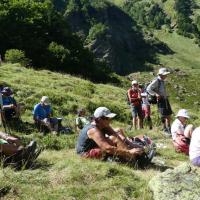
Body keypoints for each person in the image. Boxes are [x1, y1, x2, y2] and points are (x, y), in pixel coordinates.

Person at [76, 107, 144, 161]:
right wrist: (129, 152)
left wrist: (131, 144)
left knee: (115, 137)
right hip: (85, 154)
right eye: (108, 118)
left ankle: (131, 158)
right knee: (109, 144)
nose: (110, 120)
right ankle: (132, 160)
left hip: (95, 147)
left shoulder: (103, 125)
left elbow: (116, 135)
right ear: (100, 119)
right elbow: (107, 148)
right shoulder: (93, 130)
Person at [146, 68, 172, 135]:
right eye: (165, 74)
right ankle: (165, 129)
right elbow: (148, 88)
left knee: (168, 114)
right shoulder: (157, 80)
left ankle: (168, 128)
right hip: (161, 100)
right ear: (160, 75)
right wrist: (156, 94)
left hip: (165, 99)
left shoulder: (162, 81)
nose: (166, 76)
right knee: (163, 115)